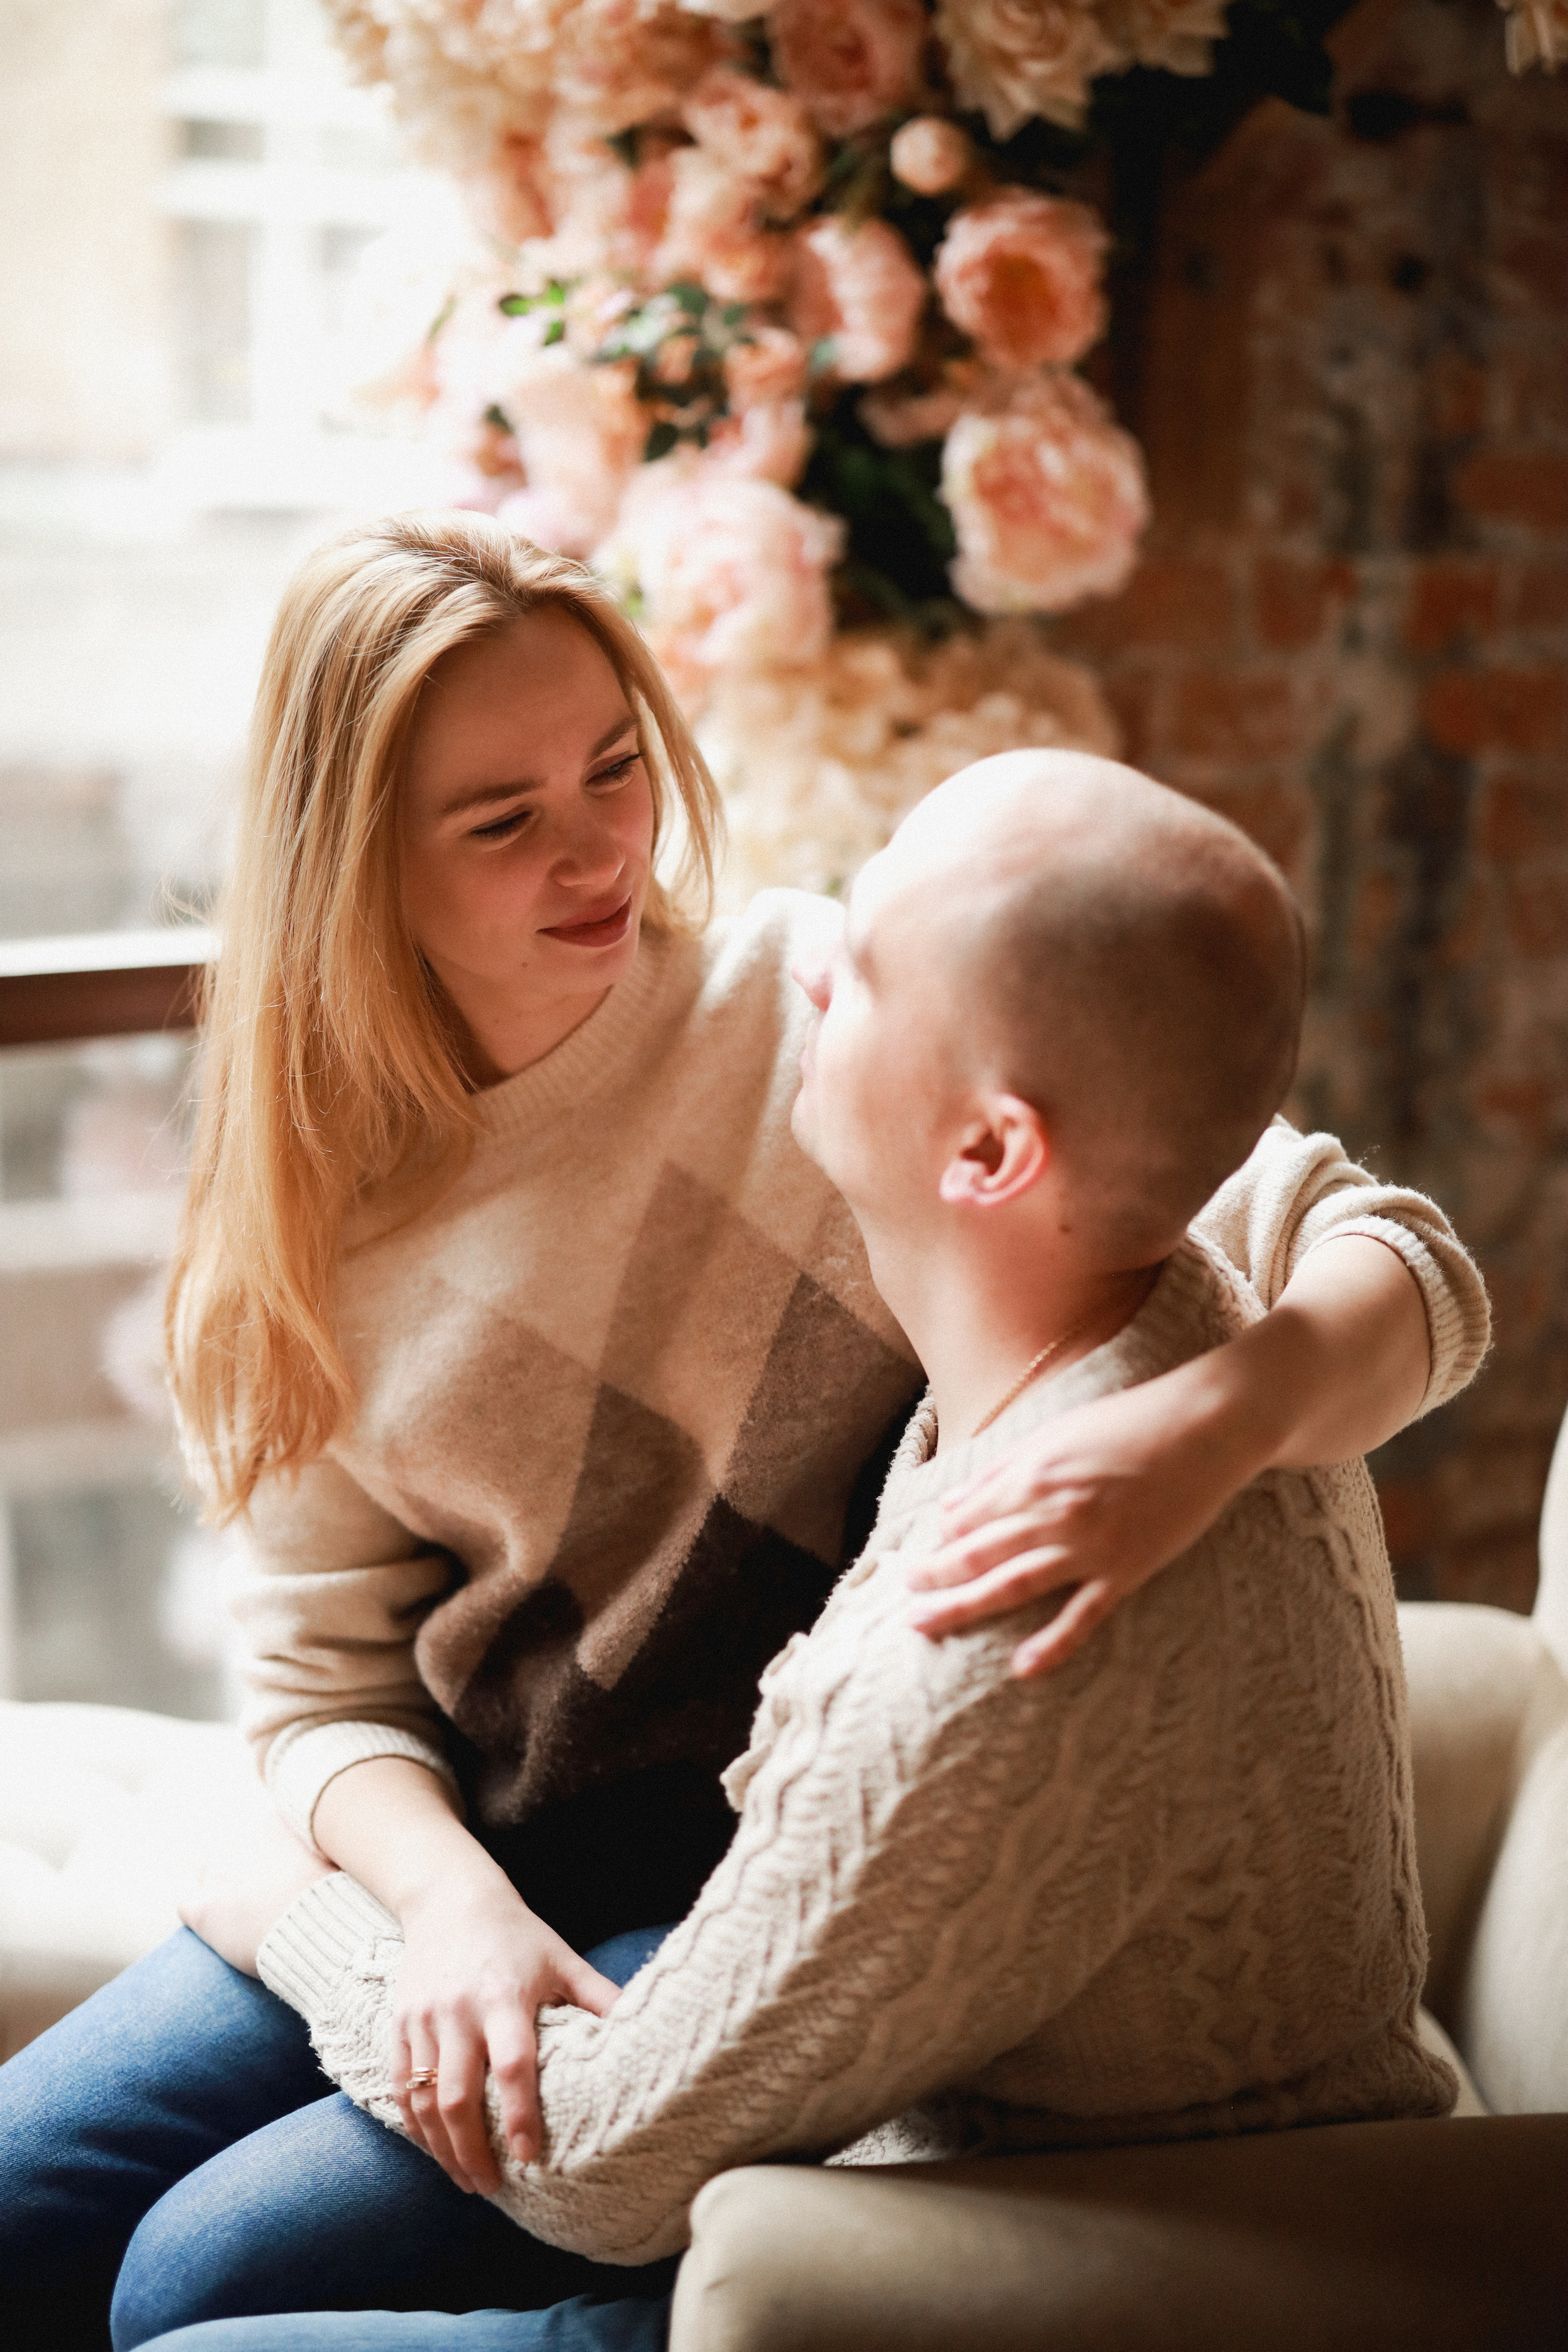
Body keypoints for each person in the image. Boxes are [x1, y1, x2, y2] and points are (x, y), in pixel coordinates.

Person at [0, 514, 1486, 2352]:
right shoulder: (309, 1219)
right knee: (23, 2192)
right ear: (356, 866)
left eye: (616, 765)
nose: (599, 850)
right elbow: (320, 1687)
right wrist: (444, 1909)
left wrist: (1206, 1428)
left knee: (209, 2274)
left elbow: (1385, 1253)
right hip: (483, 1840)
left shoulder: (842, 1020)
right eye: (504, 821)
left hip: (768, 1881)